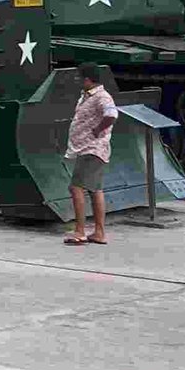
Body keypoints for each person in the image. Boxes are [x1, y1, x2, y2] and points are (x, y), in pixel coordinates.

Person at [65, 64, 118, 245]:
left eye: (79, 77)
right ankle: (99, 233)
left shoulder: (101, 96)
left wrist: (97, 131)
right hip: (86, 148)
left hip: (92, 149)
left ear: (87, 79)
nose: (76, 80)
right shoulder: (86, 96)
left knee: (76, 187)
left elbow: (111, 115)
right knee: (95, 189)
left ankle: (80, 231)